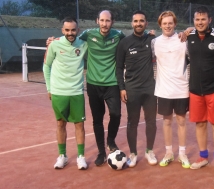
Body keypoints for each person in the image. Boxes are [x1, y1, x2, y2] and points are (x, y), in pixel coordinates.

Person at [78, 10, 126, 166]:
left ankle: (111, 141)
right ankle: (101, 152)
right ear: (97, 20)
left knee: (116, 114)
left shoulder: (118, 35)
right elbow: (71, 41)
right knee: (97, 120)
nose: (105, 24)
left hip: (112, 83)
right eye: (102, 20)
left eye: (108, 21)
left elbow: (134, 40)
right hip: (93, 84)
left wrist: (149, 33)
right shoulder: (87, 34)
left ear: (112, 22)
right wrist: (54, 40)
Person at [185, 6, 214, 174]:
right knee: (200, 124)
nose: (200, 22)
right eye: (197, 19)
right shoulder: (189, 37)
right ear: (194, 21)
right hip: (195, 89)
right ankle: (203, 157)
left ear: (210, 20)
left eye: (203, 19)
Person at [43, 17, 88, 170]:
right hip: (58, 92)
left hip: (76, 92)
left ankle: (81, 156)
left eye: (73, 30)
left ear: (78, 30)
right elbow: (46, 66)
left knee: (79, 124)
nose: (70, 33)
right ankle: (63, 156)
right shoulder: (54, 45)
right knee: (60, 123)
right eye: (67, 30)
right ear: (62, 31)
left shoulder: (84, 44)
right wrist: (49, 88)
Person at [116, 10, 157, 167]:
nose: (138, 23)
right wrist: (122, 88)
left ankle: (149, 151)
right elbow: (119, 68)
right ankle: (133, 153)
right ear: (131, 23)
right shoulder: (124, 43)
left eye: (142, 21)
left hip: (150, 89)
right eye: (136, 21)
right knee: (132, 122)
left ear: (146, 23)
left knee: (151, 121)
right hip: (132, 89)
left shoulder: (152, 40)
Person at [151, 11, 190, 169]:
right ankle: (169, 153)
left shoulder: (184, 40)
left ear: (175, 24)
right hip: (164, 89)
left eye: (170, 23)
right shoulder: (154, 42)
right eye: (164, 23)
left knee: (181, 121)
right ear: (160, 25)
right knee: (167, 121)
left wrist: (190, 29)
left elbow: (200, 31)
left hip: (181, 89)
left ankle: (182, 153)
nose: (167, 26)